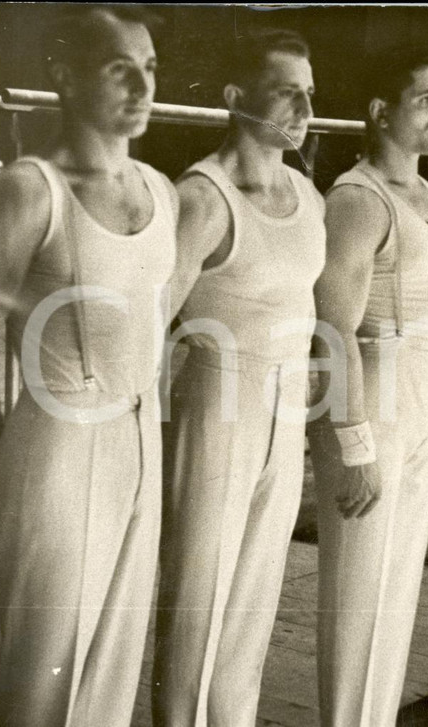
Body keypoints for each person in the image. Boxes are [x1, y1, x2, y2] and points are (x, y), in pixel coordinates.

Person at [0, 7, 177, 725]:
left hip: (141, 440)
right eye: (118, 68)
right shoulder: (27, 190)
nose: (141, 85)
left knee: (113, 655)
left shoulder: (161, 191)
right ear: (65, 76)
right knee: (45, 668)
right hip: (58, 444)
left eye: (150, 68)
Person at [151, 29, 325, 726]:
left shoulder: (309, 194)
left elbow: (306, 301)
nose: (306, 105)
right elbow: (152, 316)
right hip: (218, 402)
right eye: (288, 90)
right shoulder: (204, 194)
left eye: (310, 91)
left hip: (284, 409)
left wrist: (310, 367)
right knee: (200, 591)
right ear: (235, 98)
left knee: (255, 592)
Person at [309, 46, 428, 726]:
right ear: (380, 113)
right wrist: (355, 442)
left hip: (424, 396)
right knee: (358, 592)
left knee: (399, 584)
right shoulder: (355, 198)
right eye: (425, 99)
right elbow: (332, 329)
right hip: (373, 393)